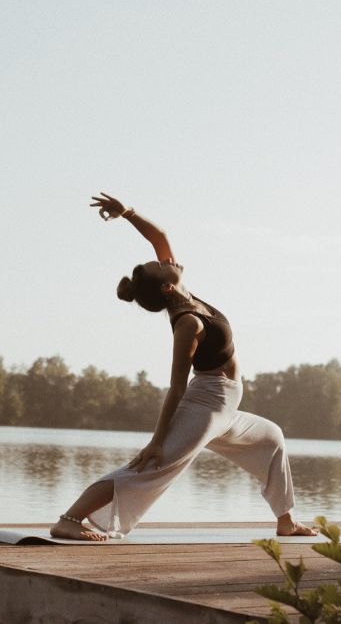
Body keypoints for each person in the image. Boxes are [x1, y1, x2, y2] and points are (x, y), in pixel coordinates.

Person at [50, 193, 317, 541]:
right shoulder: (187, 324)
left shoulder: (183, 292)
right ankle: (68, 520)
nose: (167, 259)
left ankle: (286, 521)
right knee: (149, 468)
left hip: (225, 406)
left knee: (272, 439)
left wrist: (127, 212)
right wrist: (156, 441)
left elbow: (158, 237)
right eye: (161, 264)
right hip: (205, 406)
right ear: (166, 284)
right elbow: (176, 387)